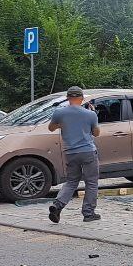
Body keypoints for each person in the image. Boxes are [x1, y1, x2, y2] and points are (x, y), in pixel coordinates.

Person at [47, 86, 102, 223]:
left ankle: (57, 205)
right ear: (82, 98)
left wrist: (63, 125)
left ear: (68, 98)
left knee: (71, 181)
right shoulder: (90, 114)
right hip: (88, 151)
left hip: (70, 152)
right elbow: (96, 133)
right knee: (91, 182)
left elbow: (51, 128)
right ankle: (88, 213)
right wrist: (93, 114)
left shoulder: (59, 112)